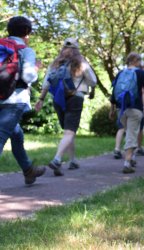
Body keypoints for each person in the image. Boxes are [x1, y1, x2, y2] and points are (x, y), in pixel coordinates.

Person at [35, 38, 97, 176]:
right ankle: (57, 160)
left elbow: (46, 83)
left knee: (67, 132)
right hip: (75, 97)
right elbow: (93, 81)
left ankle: (72, 160)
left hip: (58, 98)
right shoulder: (81, 62)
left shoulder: (55, 63)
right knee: (69, 132)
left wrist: (40, 99)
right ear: (77, 49)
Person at [0, 16, 45, 185]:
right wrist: (35, 69)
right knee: (1, 136)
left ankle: (28, 171)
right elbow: (27, 76)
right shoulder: (25, 50)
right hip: (14, 99)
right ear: (26, 32)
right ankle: (28, 170)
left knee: (16, 134)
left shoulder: (1, 46)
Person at [111, 52, 144, 173]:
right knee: (132, 135)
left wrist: (113, 109)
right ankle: (127, 162)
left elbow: (113, 93)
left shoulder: (120, 73)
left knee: (129, 133)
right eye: (139, 61)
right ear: (136, 61)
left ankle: (131, 157)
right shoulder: (141, 73)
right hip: (136, 108)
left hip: (122, 109)